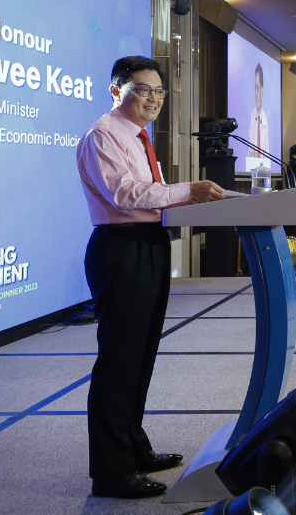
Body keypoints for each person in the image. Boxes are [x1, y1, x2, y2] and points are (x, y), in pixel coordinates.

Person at [78, 56, 227, 498]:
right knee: (119, 361)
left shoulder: (140, 137)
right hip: (120, 249)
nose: (153, 99)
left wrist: (192, 199)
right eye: (143, 89)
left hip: (149, 244)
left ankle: (133, 447)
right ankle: (110, 472)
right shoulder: (103, 135)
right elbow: (124, 195)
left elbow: (150, 198)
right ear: (115, 90)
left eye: (160, 92)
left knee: (140, 358)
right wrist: (189, 190)